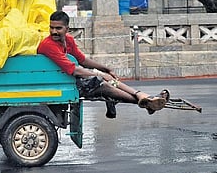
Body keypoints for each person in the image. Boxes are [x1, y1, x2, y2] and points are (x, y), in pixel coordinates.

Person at [37, 11, 170, 116]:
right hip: (60, 83)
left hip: (67, 79)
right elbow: (74, 70)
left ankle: (144, 97)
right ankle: (147, 101)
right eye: (52, 28)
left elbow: (82, 60)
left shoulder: (69, 40)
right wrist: (99, 74)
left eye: (58, 28)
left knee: (109, 78)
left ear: (67, 29)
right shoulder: (48, 45)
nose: (54, 31)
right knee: (102, 83)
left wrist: (106, 69)